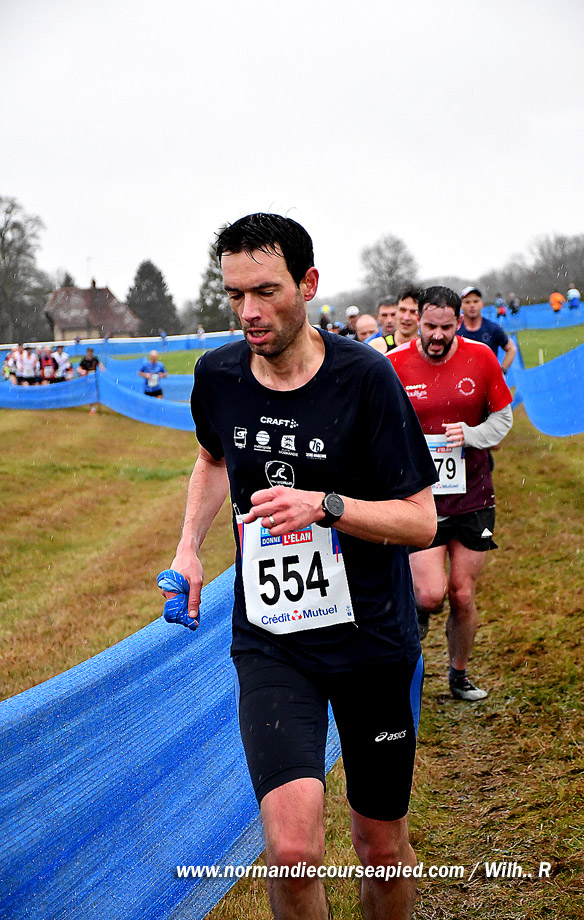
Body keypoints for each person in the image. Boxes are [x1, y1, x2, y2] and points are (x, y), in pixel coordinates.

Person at [161, 213, 438, 919]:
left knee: (380, 847)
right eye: (234, 295)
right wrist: (189, 546)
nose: (248, 312)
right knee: (289, 853)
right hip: (274, 642)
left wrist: (327, 506)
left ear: (308, 284)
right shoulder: (217, 376)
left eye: (266, 291)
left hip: (372, 640)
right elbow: (211, 459)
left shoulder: (365, 378)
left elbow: (420, 520)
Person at [388, 286, 513, 703]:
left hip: (473, 494)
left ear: (459, 322)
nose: (437, 336)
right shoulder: (394, 364)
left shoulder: (481, 357)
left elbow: (503, 418)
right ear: (417, 321)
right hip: (420, 500)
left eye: (446, 327)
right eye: (430, 326)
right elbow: (377, 425)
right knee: (430, 593)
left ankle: (458, 675)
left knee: (462, 592)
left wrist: (472, 435)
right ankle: (418, 612)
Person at [458, 287, 517, 374]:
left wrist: (502, 371)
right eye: (467, 302)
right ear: (461, 306)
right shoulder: (454, 330)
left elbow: (511, 348)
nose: (472, 305)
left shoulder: (493, 328)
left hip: (487, 380)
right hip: (462, 379)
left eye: (476, 301)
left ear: (482, 304)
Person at [370, 288, 420, 354]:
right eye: (402, 310)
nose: (406, 317)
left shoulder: (427, 349)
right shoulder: (377, 347)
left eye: (413, 312)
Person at [78, 346, 105, 413]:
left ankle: (95, 402)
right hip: (87, 378)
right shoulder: (84, 360)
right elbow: (79, 368)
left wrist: (103, 369)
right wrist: (82, 372)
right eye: (89, 352)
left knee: (95, 390)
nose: (90, 354)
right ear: (87, 352)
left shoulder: (95, 359)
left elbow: (100, 365)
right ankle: (91, 405)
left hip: (94, 378)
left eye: (91, 352)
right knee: (89, 391)